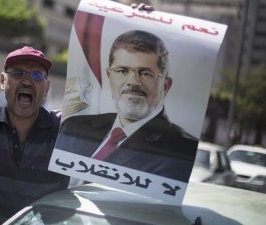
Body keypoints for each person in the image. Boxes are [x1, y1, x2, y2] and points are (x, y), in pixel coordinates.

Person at [0, 0, 154, 225]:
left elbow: (125, 109)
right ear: (2, 81)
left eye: (37, 75)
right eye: (18, 73)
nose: (28, 80)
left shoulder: (64, 130)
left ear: (47, 88)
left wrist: (136, 29)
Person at [55, 30, 198, 182]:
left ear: (166, 86)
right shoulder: (73, 127)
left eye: (146, 73)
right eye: (122, 71)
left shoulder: (182, 149)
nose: (133, 81)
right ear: (109, 77)